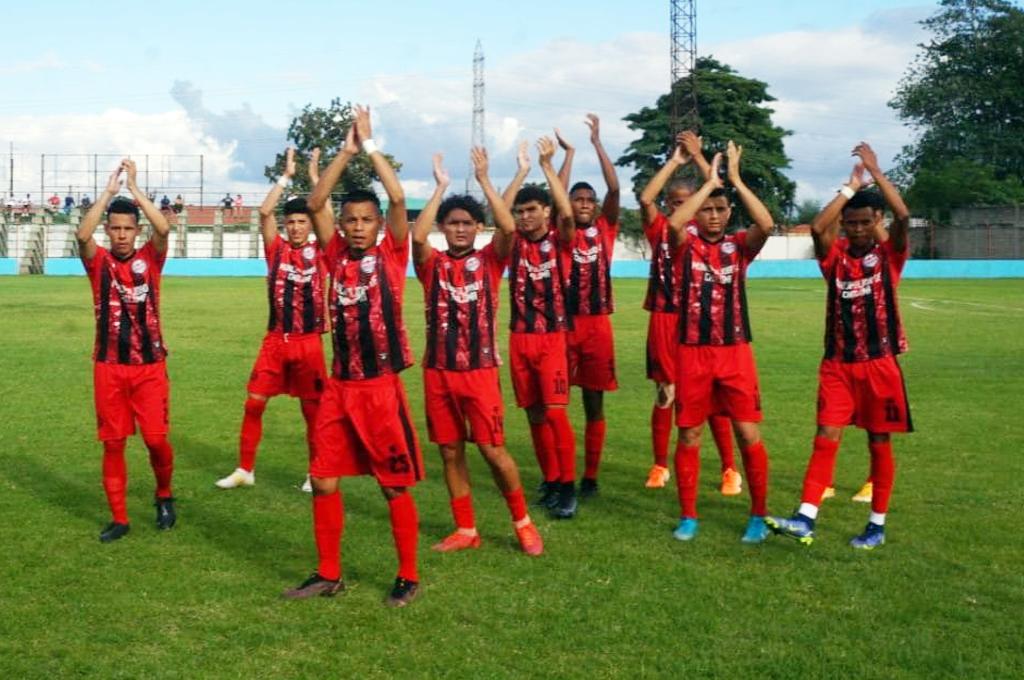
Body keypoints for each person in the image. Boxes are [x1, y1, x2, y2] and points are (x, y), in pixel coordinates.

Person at [284, 106, 423, 607]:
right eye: (352, 221)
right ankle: (328, 573)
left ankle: (408, 574)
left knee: (392, 488)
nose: (360, 227)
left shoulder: (393, 253)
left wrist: (370, 147)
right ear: (340, 227)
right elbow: (317, 199)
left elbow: (400, 196)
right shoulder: (333, 255)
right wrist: (344, 152)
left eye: (367, 220)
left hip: (381, 388)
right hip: (339, 387)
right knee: (323, 479)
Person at [766, 142, 911, 550]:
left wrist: (876, 172)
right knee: (825, 435)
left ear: (876, 220)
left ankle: (876, 524)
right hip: (837, 365)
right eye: (852, 223)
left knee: (878, 441)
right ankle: (805, 518)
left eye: (866, 222)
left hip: (879, 364)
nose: (859, 229)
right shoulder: (835, 258)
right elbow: (816, 227)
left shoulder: (889, 256)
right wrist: (849, 189)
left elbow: (902, 215)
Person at [412, 149, 543, 556]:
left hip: (480, 372)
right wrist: (441, 188)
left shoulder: (490, 261)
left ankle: (522, 522)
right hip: (438, 371)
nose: (460, 230)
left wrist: (486, 181)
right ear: (443, 228)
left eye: (468, 223)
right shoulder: (430, 265)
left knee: (492, 450)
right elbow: (416, 237)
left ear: (478, 227)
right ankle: (465, 528)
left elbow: (508, 227)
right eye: (453, 224)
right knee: (450, 451)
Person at [666, 143, 774, 544]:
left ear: (729, 213)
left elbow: (767, 224)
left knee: (748, 434)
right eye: (706, 210)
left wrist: (737, 181)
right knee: (690, 434)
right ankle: (689, 515)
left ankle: (758, 515)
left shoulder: (739, 246)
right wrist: (708, 181)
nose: (713, 216)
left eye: (720, 209)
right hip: (692, 352)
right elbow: (675, 224)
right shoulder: (685, 247)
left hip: (735, 353)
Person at [215, 147, 328, 494]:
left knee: (313, 414)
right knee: (253, 403)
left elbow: (325, 214)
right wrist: (286, 176)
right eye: (290, 222)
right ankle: (244, 469)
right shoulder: (276, 249)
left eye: (301, 221)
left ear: (310, 224)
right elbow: (264, 211)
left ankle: (315, 473)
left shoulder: (323, 250)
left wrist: (314, 178)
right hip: (276, 340)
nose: (295, 227)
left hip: (309, 342)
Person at [75, 159, 176, 543]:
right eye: (114, 229)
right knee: (114, 443)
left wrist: (133, 189)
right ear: (108, 230)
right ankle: (119, 518)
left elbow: (164, 228)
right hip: (109, 367)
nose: (120, 235)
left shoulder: (150, 258)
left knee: (155, 440)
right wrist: (107, 193)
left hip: (150, 368)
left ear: (136, 231)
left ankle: (164, 495)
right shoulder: (97, 263)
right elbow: (82, 236)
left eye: (127, 229)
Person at [638, 132, 742, 495]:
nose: (677, 206)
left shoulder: (703, 230)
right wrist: (675, 162)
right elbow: (645, 198)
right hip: (663, 319)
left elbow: (718, 192)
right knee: (665, 392)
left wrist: (702, 161)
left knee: (710, 396)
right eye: (673, 201)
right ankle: (659, 465)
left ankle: (730, 468)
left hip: (698, 320)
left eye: (686, 201)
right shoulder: (661, 230)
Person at [501, 137, 579, 519]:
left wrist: (549, 167)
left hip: (552, 339)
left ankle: (568, 485)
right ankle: (550, 479)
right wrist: (521, 171)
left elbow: (567, 216)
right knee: (533, 414)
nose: (524, 217)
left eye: (532, 210)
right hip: (519, 338)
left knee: (556, 413)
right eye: (521, 211)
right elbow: (499, 209)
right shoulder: (512, 242)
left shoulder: (560, 241)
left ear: (545, 211)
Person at [551, 114, 620, 499]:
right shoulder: (560, 233)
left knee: (594, 403)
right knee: (557, 403)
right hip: (562, 327)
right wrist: (570, 154)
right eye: (577, 199)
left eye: (588, 200)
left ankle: (590, 476)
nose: (583, 204)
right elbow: (557, 199)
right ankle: (560, 474)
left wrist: (597, 143)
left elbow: (614, 188)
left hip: (597, 326)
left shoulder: (605, 229)